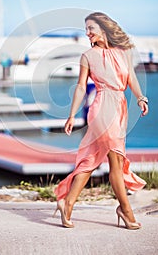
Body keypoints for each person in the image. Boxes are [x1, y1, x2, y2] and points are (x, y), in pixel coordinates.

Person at [54, 12, 149, 230]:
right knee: (116, 159)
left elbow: (131, 79)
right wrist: (71, 115)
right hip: (101, 108)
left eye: (91, 29)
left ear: (103, 29)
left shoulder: (123, 52)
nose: (87, 33)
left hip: (120, 107)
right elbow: (80, 87)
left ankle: (66, 203)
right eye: (86, 29)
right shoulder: (87, 56)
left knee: (90, 161)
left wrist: (140, 98)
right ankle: (125, 210)